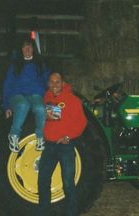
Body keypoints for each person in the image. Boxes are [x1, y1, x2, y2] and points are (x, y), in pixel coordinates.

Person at [37, 72, 88, 216]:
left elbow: (82, 122)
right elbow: (50, 119)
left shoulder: (73, 100)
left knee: (68, 183)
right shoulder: (46, 97)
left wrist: (68, 136)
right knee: (43, 180)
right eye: (51, 82)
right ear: (48, 83)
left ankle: (71, 213)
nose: (54, 85)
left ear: (62, 83)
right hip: (49, 146)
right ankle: (43, 212)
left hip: (65, 146)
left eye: (57, 82)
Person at [2, 37, 50, 152]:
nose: (27, 49)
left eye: (30, 46)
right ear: (21, 49)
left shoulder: (40, 64)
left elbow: (47, 81)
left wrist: (51, 100)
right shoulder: (15, 65)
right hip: (17, 95)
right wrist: (6, 106)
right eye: (24, 46)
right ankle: (14, 135)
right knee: (23, 105)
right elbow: (7, 84)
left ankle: (40, 137)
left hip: (35, 94)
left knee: (40, 108)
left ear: (33, 49)